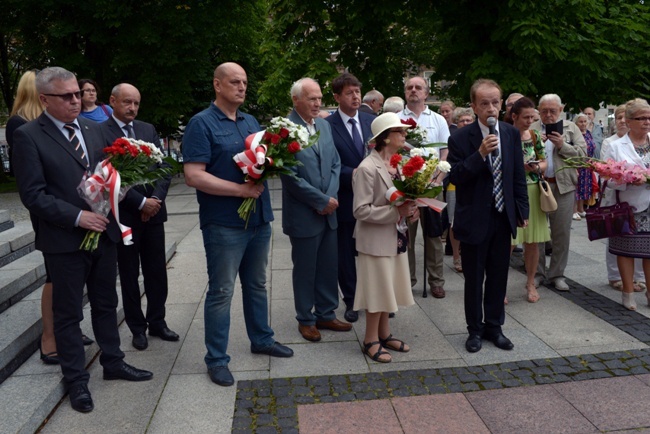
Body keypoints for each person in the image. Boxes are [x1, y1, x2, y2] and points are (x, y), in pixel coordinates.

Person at [12, 67, 152, 414]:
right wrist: (77, 216)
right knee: (68, 313)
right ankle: (76, 380)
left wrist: (109, 203)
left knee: (106, 302)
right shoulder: (29, 136)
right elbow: (33, 194)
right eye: (67, 96)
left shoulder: (93, 127)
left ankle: (114, 362)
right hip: (64, 241)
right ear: (44, 99)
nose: (76, 100)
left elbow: (109, 175)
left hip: (103, 234)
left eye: (78, 93)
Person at [183, 62, 293, 387]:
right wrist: (240, 190)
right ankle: (216, 359)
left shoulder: (250, 121)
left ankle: (262, 339)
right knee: (221, 291)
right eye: (235, 82)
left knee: (257, 284)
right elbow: (193, 175)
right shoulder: (200, 124)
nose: (242, 87)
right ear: (217, 85)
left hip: (258, 219)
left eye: (244, 82)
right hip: (224, 223)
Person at [447, 78, 529, 353]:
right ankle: (474, 330)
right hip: (474, 218)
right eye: (484, 103)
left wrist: (522, 210)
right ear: (474, 106)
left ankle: (495, 327)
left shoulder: (510, 133)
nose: (491, 108)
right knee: (474, 278)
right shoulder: (460, 137)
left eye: (495, 102)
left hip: (502, 215)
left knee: (498, 275)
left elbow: (517, 174)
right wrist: (479, 154)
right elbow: (455, 176)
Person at [101, 83, 179, 350]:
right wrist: (141, 203)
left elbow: (163, 168)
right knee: (130, 273)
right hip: (126, 217)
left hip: (154, 215)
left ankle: (158, 321)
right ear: (113, 101)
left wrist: (155, 200)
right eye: (127, 102)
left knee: (157, 271)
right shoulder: (101, 132)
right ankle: (137, 327)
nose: (132, 108)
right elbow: (108, 176)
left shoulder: (147, 130)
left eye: (136, 103)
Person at [281, 77, 351, 342]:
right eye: (311, 98)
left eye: (319, 98)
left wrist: (330, 197)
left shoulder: (323, 125)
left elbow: (335, 162)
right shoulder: (284, 129)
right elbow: (288, 175)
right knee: (306, 268)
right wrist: (319, 200)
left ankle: (326, 313)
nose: (317, 103)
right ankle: (306, 319)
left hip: (329, 210)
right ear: (296, 100)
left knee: (328, 266)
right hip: (304, 214)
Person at [352, 112, 418, 363]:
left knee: (388, 286)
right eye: (399, 132)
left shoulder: (398, 163)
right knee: (377, 290)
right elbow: (359, 210)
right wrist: (396, 212)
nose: (404, 135)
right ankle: (370, 339)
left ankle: (384, 333)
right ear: (385, 138)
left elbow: (403, 197)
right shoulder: (367, 168)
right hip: (375, 240)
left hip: (395, 236)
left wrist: (411, 209)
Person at [325, 73, 375, 323]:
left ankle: (377, 299)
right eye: (349, 93)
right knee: (345, 252)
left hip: (374, 200)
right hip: (345, 197)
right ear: (336, 97)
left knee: (372, 250)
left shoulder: (371, 121)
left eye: (357, 91)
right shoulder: (327, 126)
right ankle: (352, 300)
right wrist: (353, 173)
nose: (355, 96)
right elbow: (328, 163)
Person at [398, 76, 450, 298]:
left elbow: (445, 151)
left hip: (432, 185)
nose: (413, 90)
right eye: (409, 87)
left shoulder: (437, 119)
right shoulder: (396, 118)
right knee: (406, 235)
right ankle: (406, 280)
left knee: (434, 235)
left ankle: (436, 281)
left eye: (418, 87)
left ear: (426, 93)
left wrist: (437, 179)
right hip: (405, 186)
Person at [531, 94, 587, 291]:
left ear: (561, 110)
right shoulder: (532, 127)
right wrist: (534, 144)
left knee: (561, 233)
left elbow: (583, 157)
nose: (548, 115)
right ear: (538, 110)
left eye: (552, 111)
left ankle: (557, 274)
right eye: (544, 111)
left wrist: (562, 145)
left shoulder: (571, 128)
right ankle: (536, 273)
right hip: (536, 186)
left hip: (563, 187)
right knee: (536, 233)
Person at [602, 98, 650, 311]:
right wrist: (628, 179)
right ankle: (628, 292)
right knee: (626, 249)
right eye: (641, 118)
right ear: (629, 121)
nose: (647, 122)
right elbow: (607, 179)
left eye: (649, 118)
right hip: (628, 205)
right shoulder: (615, 146)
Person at [510, 97, 550, 303]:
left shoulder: (535, 136)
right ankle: (499, 285)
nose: (529, 121)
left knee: (532, 242)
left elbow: (544, 163)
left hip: (533, 190)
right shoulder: (505, 135)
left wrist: (536, 167)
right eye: (526, 117)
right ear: (514, 116)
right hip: (512, 192)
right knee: (508, 241)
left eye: (532, 118)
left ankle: (531, 282)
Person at [446, 107, 475, 272]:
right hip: (454, 185)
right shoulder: (453, 139)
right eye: (462, 120)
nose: (465, 123)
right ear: (456, 124)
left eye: (468, 120)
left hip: (472, 184)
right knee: (454, 221)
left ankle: (468, 254)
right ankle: (456, 255)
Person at [573, 113, 596, 220]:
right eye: (580, 121)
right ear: (576, 123)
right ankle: (574, 211)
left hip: (587, 164)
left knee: (584, 188)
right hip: (577, 164)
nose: (583, 124)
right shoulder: (574, 134)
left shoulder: (588, 133)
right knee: (576, 187)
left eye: (585, 121)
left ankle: (581, 209)